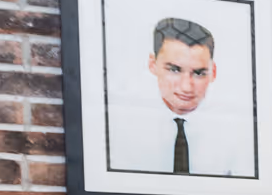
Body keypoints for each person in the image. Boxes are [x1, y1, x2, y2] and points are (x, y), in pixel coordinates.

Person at [105, 17, 254, 177]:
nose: (186, 87)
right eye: (174, 70)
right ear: (152, 64)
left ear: (214, 72)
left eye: (199, 73)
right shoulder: (120, 131)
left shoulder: (240, 138)